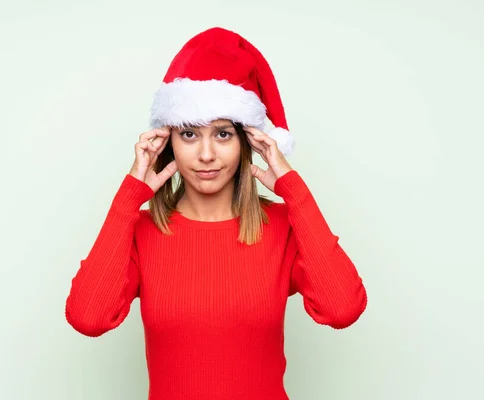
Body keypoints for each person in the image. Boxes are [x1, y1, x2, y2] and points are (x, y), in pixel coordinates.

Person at [65, 27, 367, 400]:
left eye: (222, 134)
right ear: (167, 142)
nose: (206, 154)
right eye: (190, 135)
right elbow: (88, 317)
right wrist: (129, 196)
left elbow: (342, 309)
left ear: (246, 142)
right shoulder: (142, 232)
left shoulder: (282, 227)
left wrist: (293, 188)